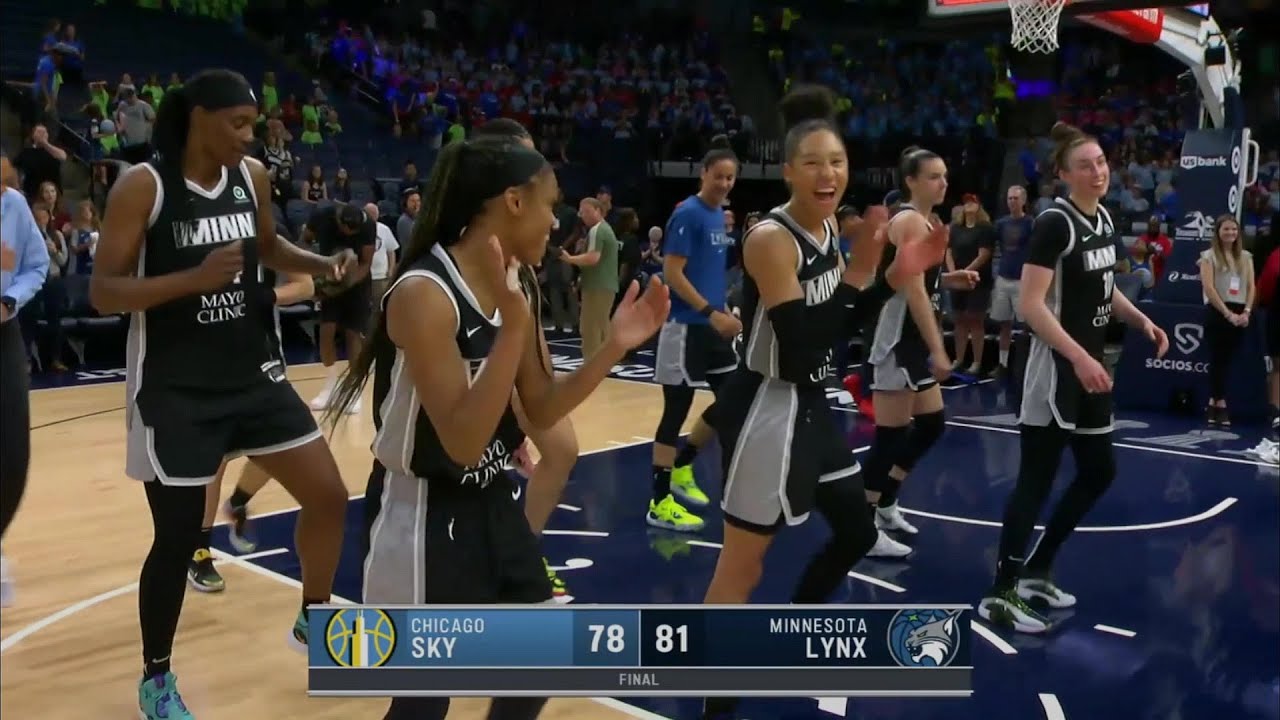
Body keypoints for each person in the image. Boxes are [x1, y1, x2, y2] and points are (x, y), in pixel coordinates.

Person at [322, 137, 669, 720]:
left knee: (538, 663)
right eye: (549, 204)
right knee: (423, 702)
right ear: (512, 201)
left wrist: (614, 346)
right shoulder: (424, 294)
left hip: (490, 503)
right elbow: (460, 443)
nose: (557, 220)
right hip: (424, 514)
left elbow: (541, 407)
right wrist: (511, 328)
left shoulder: (519, 282)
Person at [88, 68, 352, 719]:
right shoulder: (143, 188)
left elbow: (266, 246)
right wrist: (194, 279)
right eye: (237, 123)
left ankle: (313, 622)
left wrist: (320, 266)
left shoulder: (252, 177)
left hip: (251, 375)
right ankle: (156, 679)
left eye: (252, 126)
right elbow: (103, 291)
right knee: (176, 539)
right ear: (200, 117)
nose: (247, 136)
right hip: (176, 391)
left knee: (328, 495)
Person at [700, 86, 946, 720]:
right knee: (740, 572)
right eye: (812, 162)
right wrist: (868, 272)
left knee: (858, 531)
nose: (827, 173)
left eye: (836, 161)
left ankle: (788, 643)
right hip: (767, 410)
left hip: (809, 406)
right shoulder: (769, 239)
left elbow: (843, 320)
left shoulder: (831, 228)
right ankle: (715, 706)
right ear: (787, 171)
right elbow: (805, 338)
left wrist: (888, 277)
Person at [979, 122, 1168, 634]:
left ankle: (1038, 569)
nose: (1099, 170)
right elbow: (1031, 305)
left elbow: (1105, 288)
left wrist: (1139, 319)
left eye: (1102, 161)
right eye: (1086, 164)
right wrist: (1080, 356)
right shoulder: (1053, 224)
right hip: (1052, 367)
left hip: (1087, 369)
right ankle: (1001, 591)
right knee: (1035, 480)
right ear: (1064, 174)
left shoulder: (1104, 217)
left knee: (1098, 470)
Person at [859, 148, 979, 560]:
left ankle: (887, 502)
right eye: (933, 176)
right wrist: (938, 349)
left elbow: (918, 280)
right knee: (889, 438)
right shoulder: (909, 220)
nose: (943, 183)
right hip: (896, 343)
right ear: (911, 181)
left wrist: (948, 277)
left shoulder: (926, 222)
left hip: (909, 343)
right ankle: (861, 524)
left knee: (930, 425)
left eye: (944, 175)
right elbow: (911, 293)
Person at [187, 246, 316, 587]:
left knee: (282, 448)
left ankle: (239, 502)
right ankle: (198, 550)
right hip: (207, 364)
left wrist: (269, 295)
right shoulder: (194, 236)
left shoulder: (265, 238)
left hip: (264, 360)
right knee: (214, 462)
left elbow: (306, 285)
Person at [648, 136, 741, 533]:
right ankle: (659, 502)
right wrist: (708, 311)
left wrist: (725, 310)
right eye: (718, 176)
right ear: (703, 173)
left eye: (730, 178)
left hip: (714, 328)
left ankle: (685, 464)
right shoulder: (687, 214)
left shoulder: (720, 216)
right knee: (674, 413)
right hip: (685, 329)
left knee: (734, 401)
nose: (724, 184)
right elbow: (672, 273)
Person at [1, 154, 52, 608]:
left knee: (13, 455)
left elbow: (37, 267)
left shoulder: (14, 206)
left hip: (3, 333)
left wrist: (9, 299)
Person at [306, 201, 377, 414]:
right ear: (338, 221)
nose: (350, 235)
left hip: (356, 283)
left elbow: (366, 262)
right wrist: (315, 273)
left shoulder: (367, 224)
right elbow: (305, 241)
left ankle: (352, 392)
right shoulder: (321, 215)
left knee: (353, 334)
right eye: (347, 230)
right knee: (326, 332)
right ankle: (330, 386)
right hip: (328, 277)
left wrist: (346, 283)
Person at [1197, 214, 1254, 428]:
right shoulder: (1208, 256)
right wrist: (1227, 314)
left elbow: (1251, 286)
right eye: (1226, 229)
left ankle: (1213, 402)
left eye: (1233, 229)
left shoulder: (1246, 257)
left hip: (1240, 312)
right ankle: (1219, 404)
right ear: (1218, 232)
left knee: (1228, 360)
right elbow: (1209, 288)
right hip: (1218, 311)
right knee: (1217, 359)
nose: (1230, 233)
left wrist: (1246, 312)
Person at [945, 193, 995, 374]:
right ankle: (958, 358)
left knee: (975, 320)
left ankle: (976, 361)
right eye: (966, 202)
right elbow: (948, 251)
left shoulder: (985, 228)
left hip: (978, 280)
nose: (969, 205)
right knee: (959, 320)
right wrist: (953, 274)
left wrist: (965, 272)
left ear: (979, 206)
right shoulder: (955, 227)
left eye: (973, 202)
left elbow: (984, 254)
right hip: (958, 280)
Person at [991, 186, 1034, 380]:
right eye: (1009, 198)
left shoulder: (1031, 223)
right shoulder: (1001, 224)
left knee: (1028, 325)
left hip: (1022, 280)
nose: (1012, 202)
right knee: (1004, 324)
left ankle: (1027, 364)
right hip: (1003, 277)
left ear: (1023, 200)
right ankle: (1003, 363)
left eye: (1016, 198)